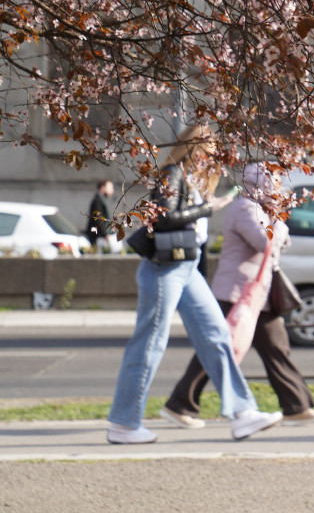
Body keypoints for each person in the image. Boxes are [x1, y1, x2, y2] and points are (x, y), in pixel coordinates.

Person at [106, 125, 282, 444]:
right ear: (193, 149)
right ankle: (124, 423)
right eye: (207, 153)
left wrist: (205, 202)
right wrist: (208, 208)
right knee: (149, 341)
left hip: (187, 267)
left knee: (217, 336)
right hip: (165, 269)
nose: (210, 161)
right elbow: (163, 217)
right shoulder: (171, 174)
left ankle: (243, 415)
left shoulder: (189, 179)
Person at [162, 163, 314, 429]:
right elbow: (266, 242)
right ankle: (180, 404)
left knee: (275, 349)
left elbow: (277, 241)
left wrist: (277, 224)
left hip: (256, 294)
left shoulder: (261, 210)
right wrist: (280, 224)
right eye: (273, 182)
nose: (278, 187)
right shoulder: (245, 208)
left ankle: (296, 406)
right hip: (236, 294)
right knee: (219, 349)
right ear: (259, 184)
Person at [85, 180, 114, 251]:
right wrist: (105, 234)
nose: (112, 191)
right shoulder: (97, 201)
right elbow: (98, 220)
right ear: (103, 188)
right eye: (110, 188)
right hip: (98, 238)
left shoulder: (101, 200)